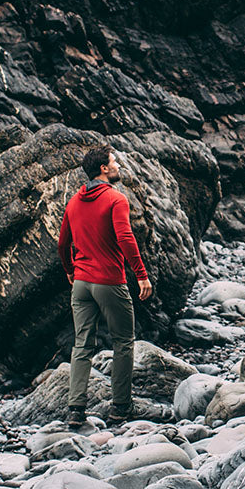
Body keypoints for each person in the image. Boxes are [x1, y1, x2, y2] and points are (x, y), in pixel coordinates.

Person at [57, 145, 153, 427]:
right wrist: (142, 274)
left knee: (82, 345)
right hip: (109, 281)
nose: (118, 166)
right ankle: (121, 407)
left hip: (82, 283)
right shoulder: (115, 199)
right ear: (103, 169)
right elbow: (125, 238)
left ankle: (76, 410)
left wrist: (69, 271)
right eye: (115, 162)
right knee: (123, 341)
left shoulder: (74, 201)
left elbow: (63, 243)